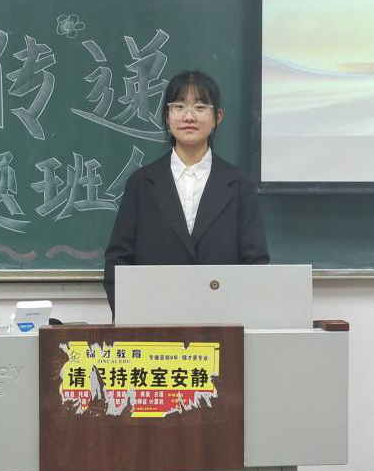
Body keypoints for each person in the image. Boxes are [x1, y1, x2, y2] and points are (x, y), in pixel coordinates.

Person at [103, 69, 270, 313]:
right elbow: (118, 262)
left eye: (200, 107)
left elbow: (256, 263)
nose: (189, 116)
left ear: (217, 117)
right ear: (166, 116)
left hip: (223, 319)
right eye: (179, 107)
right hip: (153, 321)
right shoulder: (141, 183)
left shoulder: (239, 185)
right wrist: (132, 318)